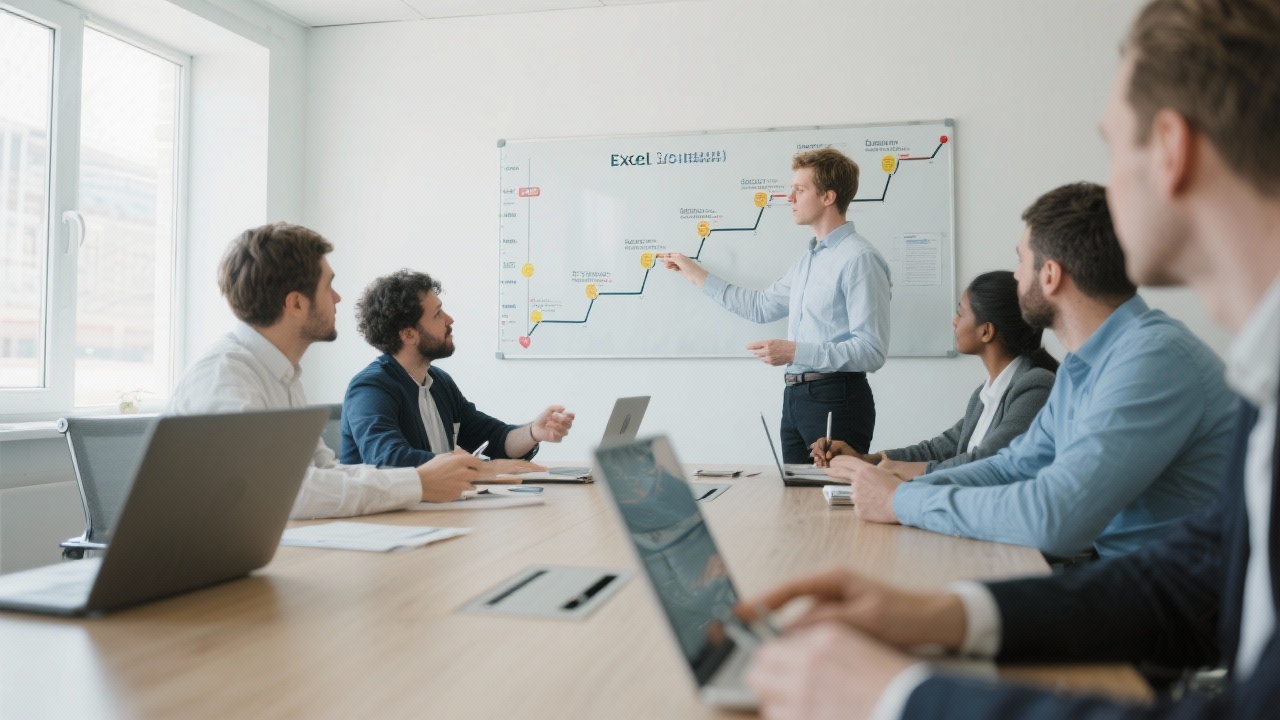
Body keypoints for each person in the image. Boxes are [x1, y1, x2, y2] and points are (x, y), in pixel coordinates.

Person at [743, 1, 1280, 717]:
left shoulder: (1160, 361)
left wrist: (901, 694)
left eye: (1113, 148)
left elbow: (1058, 513)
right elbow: (1186, 577)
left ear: (1171, 149)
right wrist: (947, 615)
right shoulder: (1212, 372)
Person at [825, 181, 1234, 559]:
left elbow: (1055, 519)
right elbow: (1012, 466)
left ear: (1051, 275)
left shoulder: (1152, 361)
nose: (1017, 275)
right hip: (1120, 575)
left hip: (1168, 595)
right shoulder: (1080, 367)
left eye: (1021, 261)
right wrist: (896, 489)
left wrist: (901, 500)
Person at [168, 223, 482, 519]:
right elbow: (280, 493)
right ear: (296, 303)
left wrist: (419, 479)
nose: (337, 297)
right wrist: (417, 483)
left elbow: (323, 471)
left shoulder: (282, 375)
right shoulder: (224, 378)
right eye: (328, 285)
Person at [662, 148, 891, 463]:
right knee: (795, 493)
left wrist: (795, 352)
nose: (789, 197)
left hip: (836, 399)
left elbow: (871, 351)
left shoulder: (859, 258)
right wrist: (695, 274)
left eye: (800, 190)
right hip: (796, 397)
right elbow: (761, 306)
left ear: (828, 197)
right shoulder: (808, 259)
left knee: (831, 493)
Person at [811, 270, 1057, 479]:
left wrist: (900, 470)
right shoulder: (985, 394)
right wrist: (868, 459)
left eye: (961, 313)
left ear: (986, 331)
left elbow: (985, 463)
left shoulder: (1035, 386)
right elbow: (939, 449)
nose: (954, 321)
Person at [340, 269, 574, 470]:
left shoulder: (439, 382)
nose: (449, 319)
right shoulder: (370, 389)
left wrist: (533, 431)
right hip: (392, 511)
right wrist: (480, 469)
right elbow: (388, 460)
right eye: (437, 314)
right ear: (409, 334)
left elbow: (494, 438)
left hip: (436, 505)